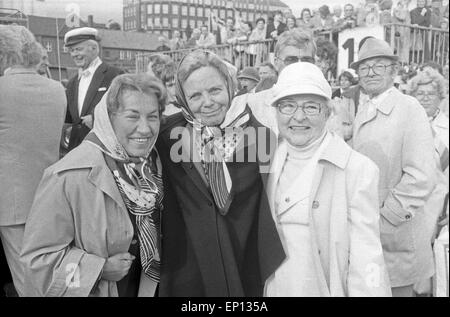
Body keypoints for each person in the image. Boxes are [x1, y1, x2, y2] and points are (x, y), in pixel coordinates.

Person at [21, 74, 166, 297]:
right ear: (108, 118)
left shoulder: (151, 165)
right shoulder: (68, 176)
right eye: (132, 116)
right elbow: (38, 263)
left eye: (153, 117)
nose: (145, 129)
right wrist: (98, 269)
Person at [156, 50, 285, 297]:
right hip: (188, 272)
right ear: (183, 98)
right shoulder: (167, 138)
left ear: (229, 86)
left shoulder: (263, 139)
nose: (207, 102)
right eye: (195, 95)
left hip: (244, 269)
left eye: (215, 90)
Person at [265, 62, 391, 297]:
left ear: (327, 112)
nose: (299, 117)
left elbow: (366, 254)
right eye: (287, 106)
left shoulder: (357, 169)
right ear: (276, 112)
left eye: (311, 107)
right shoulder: (266, 162)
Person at [351, 38, 436, 297]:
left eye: (379, 65)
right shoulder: (363, 109)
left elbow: (421, 176)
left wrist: (388, 217)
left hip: (395, 233)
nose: (371, 72)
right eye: (364, 68)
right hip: (370, 231)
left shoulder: (409, 108)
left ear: (392, 71)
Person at [0, 25, 66, 296]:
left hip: (10, 203)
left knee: (25, 280)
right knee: (46, 272)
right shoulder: (57, 89)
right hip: (49, 197)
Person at [409, 70, 449, 296]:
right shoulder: (406, 125)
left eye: (430, 93)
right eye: (420, 93)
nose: (424, 97)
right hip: (411, 206)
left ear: (440, 97)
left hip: (440, 209)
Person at [64, 27, 124, 152]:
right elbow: (69, 118)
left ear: (94, 49)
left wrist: (96, 118)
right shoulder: (72, 83)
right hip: (77, 150)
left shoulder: (114, 75)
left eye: (79, 49)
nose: (75, 54)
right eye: (71, 50)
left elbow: (123, 109)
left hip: (105, 149)